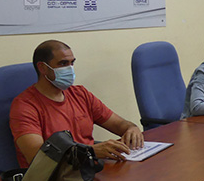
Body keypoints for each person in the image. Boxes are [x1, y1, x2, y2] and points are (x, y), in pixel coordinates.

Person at [10, 40, 144, 167]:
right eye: (63, 63)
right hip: (54, 177)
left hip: (87, 169)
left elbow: (118, 124)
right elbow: (37, 158)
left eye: (72, 63)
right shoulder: (24, 106)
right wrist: (90, 151)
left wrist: (131, 128)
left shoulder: (80, 94)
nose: (69, 69)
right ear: (43, 68)